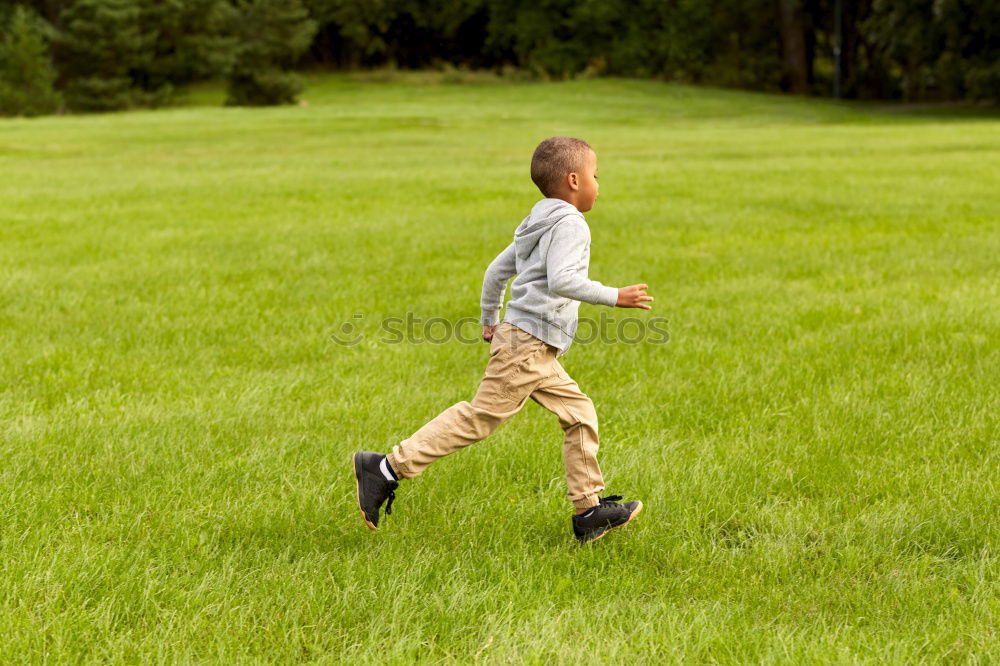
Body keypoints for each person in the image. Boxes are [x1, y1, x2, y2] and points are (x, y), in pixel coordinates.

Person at [353, 136, 652, 543]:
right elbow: (564, 279)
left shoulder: (534, 222)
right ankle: (385, 468)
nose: (600, 184)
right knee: (480, 417)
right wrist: (615, 296)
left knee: (579, 415)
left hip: (534, 344)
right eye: (596, 176)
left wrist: (490, 319)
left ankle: (588, 510)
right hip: (528, 343)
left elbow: (496, 272)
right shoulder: (570, 224)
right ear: (574, 180)